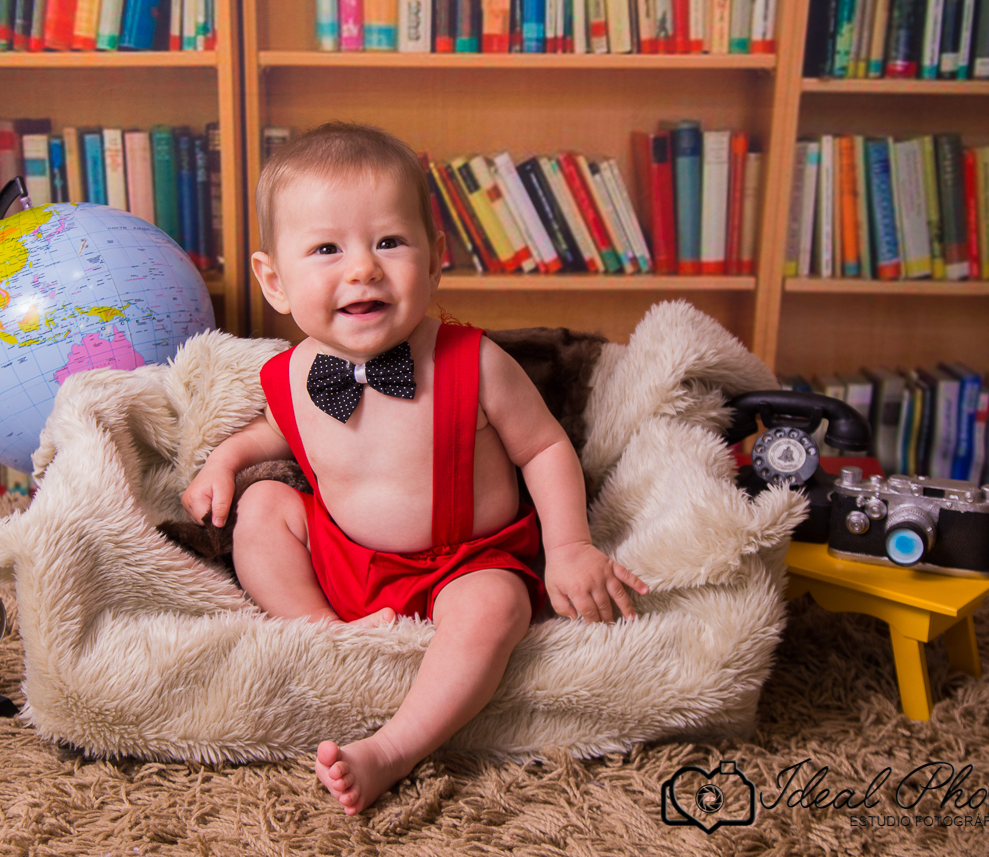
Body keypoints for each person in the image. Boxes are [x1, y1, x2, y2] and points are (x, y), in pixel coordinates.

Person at [183, 122, 648, 816]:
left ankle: (393, 748)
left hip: (470, 559)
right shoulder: (293, 372)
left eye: (389, 242)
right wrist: (224, 461)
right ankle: (323, 635)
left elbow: (545, 448)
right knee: (263, 509)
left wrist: (570, 546)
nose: (362, 268)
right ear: (275, 281)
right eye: (326, 249)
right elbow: (276, 429)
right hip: (351, 562)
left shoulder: (476, 360)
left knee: (498, 608)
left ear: (434, 263)